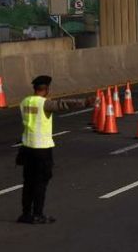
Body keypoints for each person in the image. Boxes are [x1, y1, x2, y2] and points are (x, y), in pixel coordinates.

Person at [17, 75, 95, 224]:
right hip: (42, 148)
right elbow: (63, 104)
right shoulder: (44, 103)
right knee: (41, 182)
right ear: (46, 89)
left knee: (28, 182)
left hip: (27, 147)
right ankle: (38, 214)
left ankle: (25, 214)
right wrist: (84, 102)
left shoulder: (24, 102)